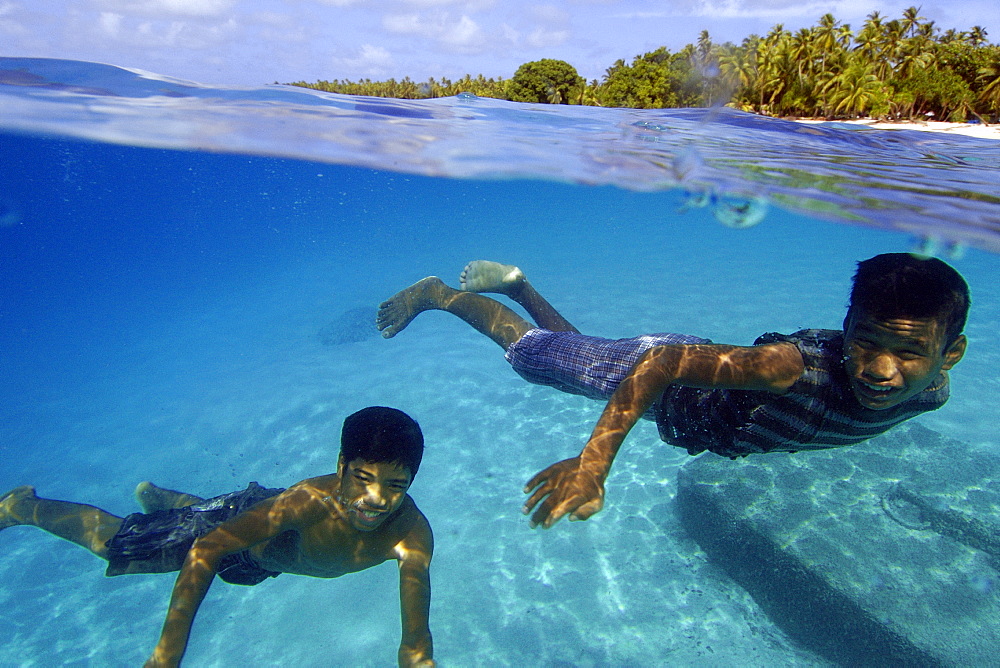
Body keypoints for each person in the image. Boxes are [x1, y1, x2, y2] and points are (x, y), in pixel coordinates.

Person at [375, 254, 969, 529]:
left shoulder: (931, 391)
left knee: (575, 355)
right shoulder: (788, 368)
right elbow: (659, 363)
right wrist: (592, 464)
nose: (882, 370)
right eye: (866, 343)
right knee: (534, 358)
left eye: (911, 353)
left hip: (691, 383)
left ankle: (520, 284)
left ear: (950, 357)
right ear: (846, 332)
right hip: (662, 376)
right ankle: (437, 294)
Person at [0, 406, 434, 667]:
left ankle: (166, 501)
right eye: (363, 478)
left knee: (224, 531)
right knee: (115, 544)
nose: (375, 499)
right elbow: (209, 547)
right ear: (341, 466)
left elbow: (415, 642)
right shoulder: (309, 503)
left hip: (265, 561)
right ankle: (21, 506)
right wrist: (167, 655)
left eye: (396, 485)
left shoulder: (411, 534)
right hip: (244, 526)